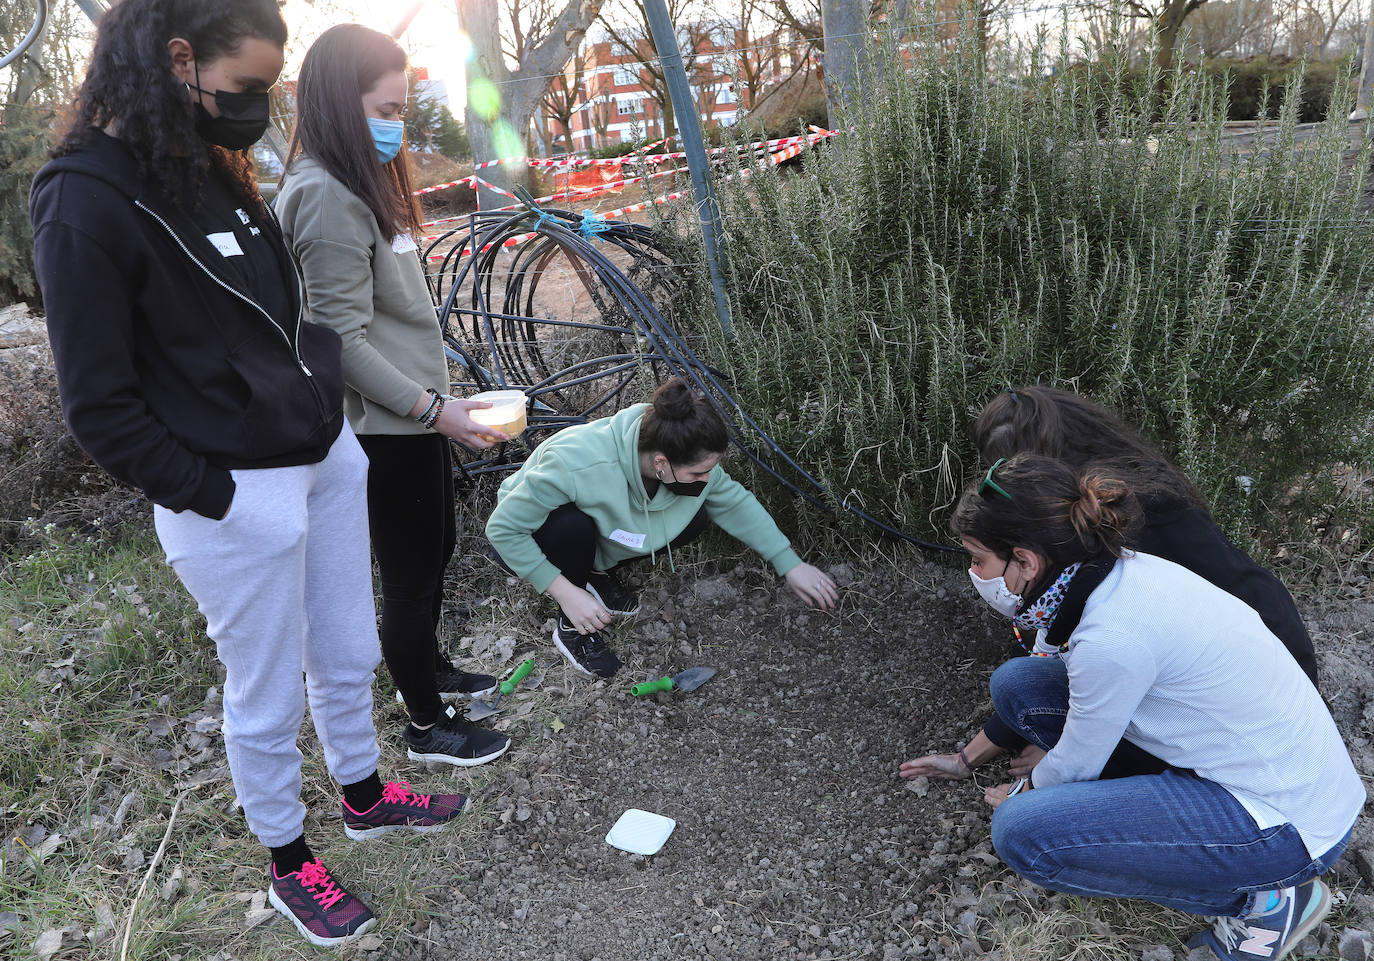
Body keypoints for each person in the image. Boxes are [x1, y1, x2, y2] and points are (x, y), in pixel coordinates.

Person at [29, 1, 469, 946]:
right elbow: (100, 409)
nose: (259, 109)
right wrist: (226, 499)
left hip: (321, 458)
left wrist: (327, 429)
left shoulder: (207, 173)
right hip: (234, 499)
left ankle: (362, 793)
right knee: (264, 696)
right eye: (247, 89)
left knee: (346, 649)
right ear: (179, 60)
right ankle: (288, 862)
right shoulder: (83, 200)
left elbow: (286, 316)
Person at [953, 455, 1363, 961]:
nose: (973, 572)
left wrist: (1026, 792)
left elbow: (1075, 763)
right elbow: (1063, 686)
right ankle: (1161, 824)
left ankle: (1268, 901)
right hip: (1273, 768)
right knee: (1021, 685)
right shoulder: (1119, 570)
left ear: (1026, 560)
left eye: (977, 559)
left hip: (1286, 825)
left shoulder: (1111, 637)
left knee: (1024, 833)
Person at [275, 24, 510, 769]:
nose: (395, 125)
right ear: (340, 106)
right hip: (385, 424)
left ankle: (429, 668)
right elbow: (338, 340)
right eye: (384, 109)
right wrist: (431, 408)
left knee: (433, 550)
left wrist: (435, 400)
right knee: (409, 569)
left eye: (402, 109)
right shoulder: (324, 197)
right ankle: (425, 722)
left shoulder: (356, 184)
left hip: (414, 412)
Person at [900, 385, 1318, 783]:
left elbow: (1070, 649)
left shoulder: (1127, 526)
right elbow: (1046, 632)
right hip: (1244, 646)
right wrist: (971, 755)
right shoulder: (1107, 502)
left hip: (1254, 684)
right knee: (1022, 678)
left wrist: (1062, 750)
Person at [486, 377, 839, 678]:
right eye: (698, 472)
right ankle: (572, 625)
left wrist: (789, 563)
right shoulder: (578, 462)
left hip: (595, 531)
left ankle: (594, 574)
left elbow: (734, 502)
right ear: (660, 462)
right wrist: (565, 592)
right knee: (570, 527)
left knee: (695, 516)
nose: (706, 479)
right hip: (530, 537)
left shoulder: (673, 446)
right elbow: (503, 530)